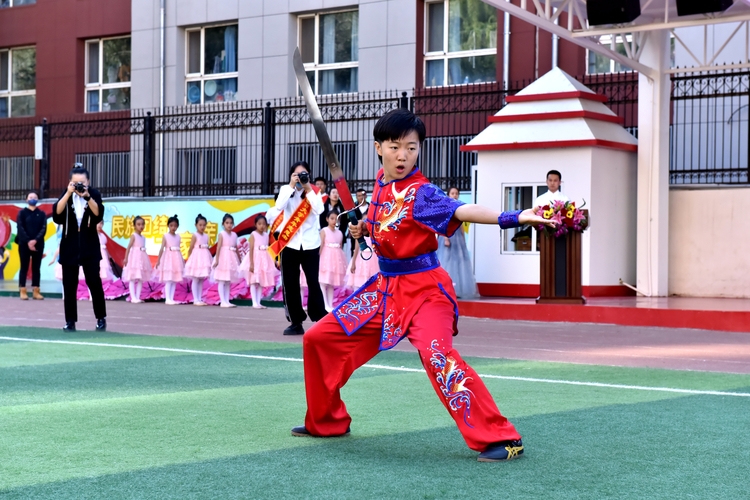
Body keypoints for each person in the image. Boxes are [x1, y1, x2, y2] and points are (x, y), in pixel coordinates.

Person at [290, 108, 554, 462]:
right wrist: (363, 228)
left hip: (426, 292)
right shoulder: (381, 185)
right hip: (384, 290)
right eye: (396, 146)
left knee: (437, 356)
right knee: (318, 338)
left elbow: (462, 210)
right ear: (378, 148)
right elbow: (381, 224)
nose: (403, 156)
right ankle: (327, 421)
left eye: (412, 148)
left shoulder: (421, 193)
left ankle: (502, 438)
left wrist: (514, 216)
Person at [273, 161, 327, 336]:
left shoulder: (314, 192)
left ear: (309, 175)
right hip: (290, 244)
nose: (299, 177)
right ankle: (296, 321)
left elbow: (319, 209)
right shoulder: (285, 190)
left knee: (313, 281)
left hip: (310, 244)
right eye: (296, 174)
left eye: (303, 174)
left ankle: (319, 318)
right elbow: (279, 206)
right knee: (290, 283)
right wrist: (290, 185)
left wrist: (308, 188)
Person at [52, 165, 107, 332]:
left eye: (82, 182)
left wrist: (88, 197)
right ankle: (70, 321)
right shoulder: (66, 194)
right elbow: (56, 215)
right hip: (70, 244)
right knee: (69, 285)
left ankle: (100, 318)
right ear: (70, 182)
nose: (79, 186)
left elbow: (98, 215)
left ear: (88, 181)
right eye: (75, 183)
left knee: (94, 283)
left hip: (89, 244)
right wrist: (68, 193)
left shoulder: (94, 194)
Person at [437, 187, 478, 299]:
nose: (454, 195)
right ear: (448, 195)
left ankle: (457, 289)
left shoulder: (460, 207)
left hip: (458, 237)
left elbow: (460, 225)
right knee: (447, 260)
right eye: (452, 193)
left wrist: (463, 239)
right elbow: (442, 224)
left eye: (456, 193)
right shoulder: (445, 208)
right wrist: (445, 238)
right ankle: (445, 289)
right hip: (448, 236)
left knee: (459, 261)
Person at [240, 214, 277, 309]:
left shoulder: (266, 235)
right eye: (259, 224)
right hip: (255, 258)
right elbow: (251, 249)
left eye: (264, 224)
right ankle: (254, 302)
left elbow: (268, 248)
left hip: (264, 258)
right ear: (255, 224)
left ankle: (259, 301)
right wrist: (251, 263)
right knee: (253, 280)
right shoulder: (253, 234)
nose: (262, 226)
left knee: (261, 281)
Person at [16, 190, 47, 300]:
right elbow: (20, 228)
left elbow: (43, 229)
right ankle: (23, 290)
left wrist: (35, 241)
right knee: (24, 267)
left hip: (38, 245)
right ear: (26, 199)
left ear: (37, 199)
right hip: (24, 244)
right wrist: (28, 241)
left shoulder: (42, 214)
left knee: (36, 268)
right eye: (30, 197)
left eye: (35, 197)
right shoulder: (22, 213)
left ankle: (36, 290)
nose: (32, 198)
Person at [318, 210, 347, 312]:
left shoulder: (340, 233)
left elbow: (340, 246)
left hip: (336, 259)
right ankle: (324, 303)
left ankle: (330, 305)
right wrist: (318, 258)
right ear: (327, 219)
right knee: (323, 281)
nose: (334, 221)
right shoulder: (324, 231)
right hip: (325, 258)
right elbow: (321, 245)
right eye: (332, 218)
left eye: (337, 219)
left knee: (331, 283)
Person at [212, 213, 241, 308]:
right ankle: (222, 301)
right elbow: (218, 247)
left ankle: (227, 300)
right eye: (227, 223)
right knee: (222, 280)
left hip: (231, 258)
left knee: (228, 281)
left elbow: (236, 247)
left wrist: (239, 260)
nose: (229, 225)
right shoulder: (222, 234)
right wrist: (216, 260)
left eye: (231, 223)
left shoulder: (234, 235)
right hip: (223, 258)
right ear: (223, 224)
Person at [122, 216, 152, 304]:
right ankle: (133, 297)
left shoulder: (143, 237)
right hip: (134, 258)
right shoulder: (133, 236)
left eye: (142, 224)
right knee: (132, 278)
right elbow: (128, 247)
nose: (141, 226)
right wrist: (126, 258)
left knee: (140, 279)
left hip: (142, 258)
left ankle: (138, 297)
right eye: (138, 224)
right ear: (134, 226)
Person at [155, 215, 185, 305]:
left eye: (175, 226)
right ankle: (167, 298)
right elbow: (161, 248)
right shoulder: (166, 236)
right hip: (168, 257)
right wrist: (158, 260)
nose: (173, 227)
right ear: (168, 226)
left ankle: (171, 298)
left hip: (176, 258)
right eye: (171, 225)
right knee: (169, 279)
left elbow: (179, 248)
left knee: (174, 279)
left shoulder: (178, 237)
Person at [184, 214, 212, 306]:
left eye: (204, 225)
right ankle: (195, 299)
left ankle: (199, 298)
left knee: (201, 279)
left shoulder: (206, 236)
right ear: (196, 225)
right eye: (200, 225)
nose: (202, 227)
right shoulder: (195, 235)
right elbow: (191, 248)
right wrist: (190, 260)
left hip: (204, 257)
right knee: (195, 279)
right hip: (196, 258)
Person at [348, 189, 370, 256]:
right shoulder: (352, 208)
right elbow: (348, 221)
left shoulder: (371, 207)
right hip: (356, 234)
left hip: (368, 234)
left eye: (362, 195)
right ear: (356, 197)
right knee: (354, 250)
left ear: (366, 196)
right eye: (359, 196)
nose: (361, 197)